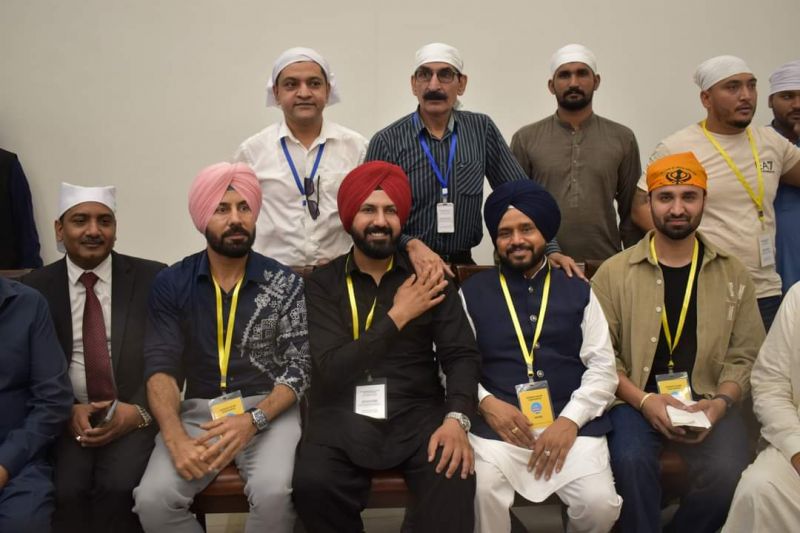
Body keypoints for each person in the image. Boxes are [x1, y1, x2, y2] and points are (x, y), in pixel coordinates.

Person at [292, 161, 480, 533]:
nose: (380, 220)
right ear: (349, 217)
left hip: (417, 413)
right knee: (313, 484)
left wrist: (457, 418)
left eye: (390, 210)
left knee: (454, 472)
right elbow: (329, 369)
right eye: (368, 209)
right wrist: (398, 317)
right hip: (340, 415)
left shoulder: (429, 278)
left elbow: (461, 356)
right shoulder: (322, 285)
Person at [133, 162, 310, 533]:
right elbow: (160, 368)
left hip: (268, 411)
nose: (236, 219)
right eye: (222, 208)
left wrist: (253, 420)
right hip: (199, 414)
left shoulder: (284, 282)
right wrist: (174, 437)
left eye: (244, 208)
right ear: (202, 216)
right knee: (152, 501)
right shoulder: (172, 282)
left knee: (274, 493)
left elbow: (299, 368)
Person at [593, 152, 765, 533]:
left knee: (731, 470)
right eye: (665, 197)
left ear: (704, 200)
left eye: (689, 196)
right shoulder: (614, 273)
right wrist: (644, 399)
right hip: (634, 401)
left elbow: (747, 354)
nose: (677, 208)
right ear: (648, 202)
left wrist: (720, 405)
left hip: (708, 399)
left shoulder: (732, 272)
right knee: (631, 461)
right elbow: (602, 357)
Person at [460, 180, 621, 532]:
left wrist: (570, 421)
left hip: (571, 427)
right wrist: (486, 403)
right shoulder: (470, 292)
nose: (516, 240)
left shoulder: (578, 289)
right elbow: (453, 365)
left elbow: (603, 368)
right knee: (481, 492)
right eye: (505, 233)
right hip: (498, 430)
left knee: (600, 505)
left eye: (526, 229)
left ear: (544, 233)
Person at [366, 42, 579, 276]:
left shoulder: (481, 129)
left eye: (445, 75)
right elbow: (367, 215)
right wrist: (410, 243)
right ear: (413, 84)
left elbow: (521, 194)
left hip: (463, 267)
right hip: (404, 266)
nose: (434, 85)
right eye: (425, 75)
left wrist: (551, 249)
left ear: (462, 84)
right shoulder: (387, 140)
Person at [23, 183, 165, 533]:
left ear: (115, 229)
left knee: (119, 489)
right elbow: (26, 368)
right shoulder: (33, 288)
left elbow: (169, 356)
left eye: (104, 221)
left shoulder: (154, 277)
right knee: (67, 492)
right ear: (60, 229)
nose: (93, 231)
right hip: (66, 418)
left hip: (134, 413)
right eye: (80, 220)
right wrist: (65, 408)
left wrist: (139, 412)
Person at [631, 55, 800, 330]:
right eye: (732, 87)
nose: (746, 96)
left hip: (765, 290)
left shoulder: (771, 142)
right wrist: (680, 253)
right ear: (706, 99)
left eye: (751, 86)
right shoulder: (678, 146)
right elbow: (640, 206)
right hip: (706, 286)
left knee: (767, 372)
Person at [234, 47, 367, 267]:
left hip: (338, 279)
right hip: (272, 277)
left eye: (314, 83)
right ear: (276, 92)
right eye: (291, 84)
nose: (304, 93)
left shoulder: (357, 148)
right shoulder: (252, 152)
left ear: (328, 90)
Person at [510, 43, 643, 262]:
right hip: (541, 264)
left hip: (605, 264)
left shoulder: (622, 138)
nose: (573, 83)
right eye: (564, 75)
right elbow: (514, 207)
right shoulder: (526, 138)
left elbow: (631, 212)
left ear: (596, 81)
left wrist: (633, 264)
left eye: (582, 73)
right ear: (551, 86)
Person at [722, 282, 800, 532]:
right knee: (759, 489)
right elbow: (770, 383)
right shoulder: (798, 297)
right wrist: (796, 449)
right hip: (796, 439)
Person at [0, 276, 72, 532]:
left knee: (24, 523)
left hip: (17, 460)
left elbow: (53, 399)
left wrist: (5, 464)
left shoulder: (28, 304)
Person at [767, 60, 800, 293]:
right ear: (770, 101)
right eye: (787, 96)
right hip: (775, 260)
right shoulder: (758, 144)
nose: (797, 104)